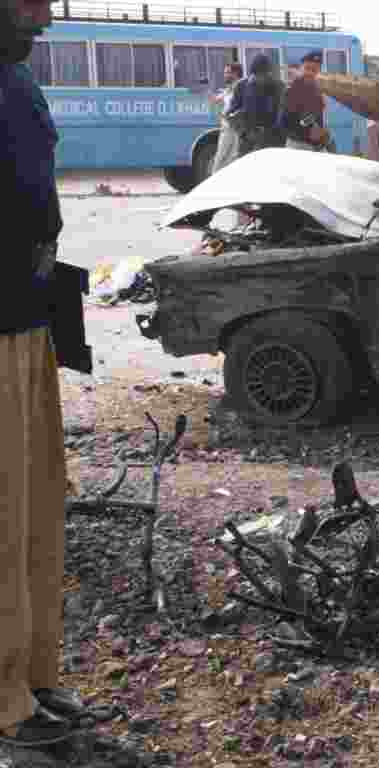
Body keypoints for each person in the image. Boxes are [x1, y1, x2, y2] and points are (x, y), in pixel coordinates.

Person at [1, 0, 87, 748]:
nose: (41, 23)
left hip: (26, 327)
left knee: (33, 511)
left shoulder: (17, 82)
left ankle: (31, 679)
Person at [226, 53, 285, 157]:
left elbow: (282, 114)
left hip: (272, 141)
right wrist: (242, 129)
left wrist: (269, 134)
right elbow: (230, 113)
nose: (261, 78)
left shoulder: (278, 86)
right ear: (252, 73)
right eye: (257, 75)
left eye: (264, 75)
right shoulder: (241, 86)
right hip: (247, 141)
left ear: (269, 73)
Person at [280, 50, 335, 153]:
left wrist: (323, 132)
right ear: (301, 69)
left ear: (319, 72)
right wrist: (307, 132)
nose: (310, 73)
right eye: (307, 68)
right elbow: (284, 122)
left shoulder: (318, 90)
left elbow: (317, 119)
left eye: (314, 70)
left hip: (317, 147)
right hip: (298, 147)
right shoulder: (292, 90)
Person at [208, 62, 244, 176]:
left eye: (228, 72)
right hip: (227, 127)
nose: (225, 75)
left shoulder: (241, 87)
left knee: (225, 158)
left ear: (236, 73)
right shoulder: (229, 89)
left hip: (234, 127)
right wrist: (207, 91)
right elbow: (216, 100)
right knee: (224, 157)